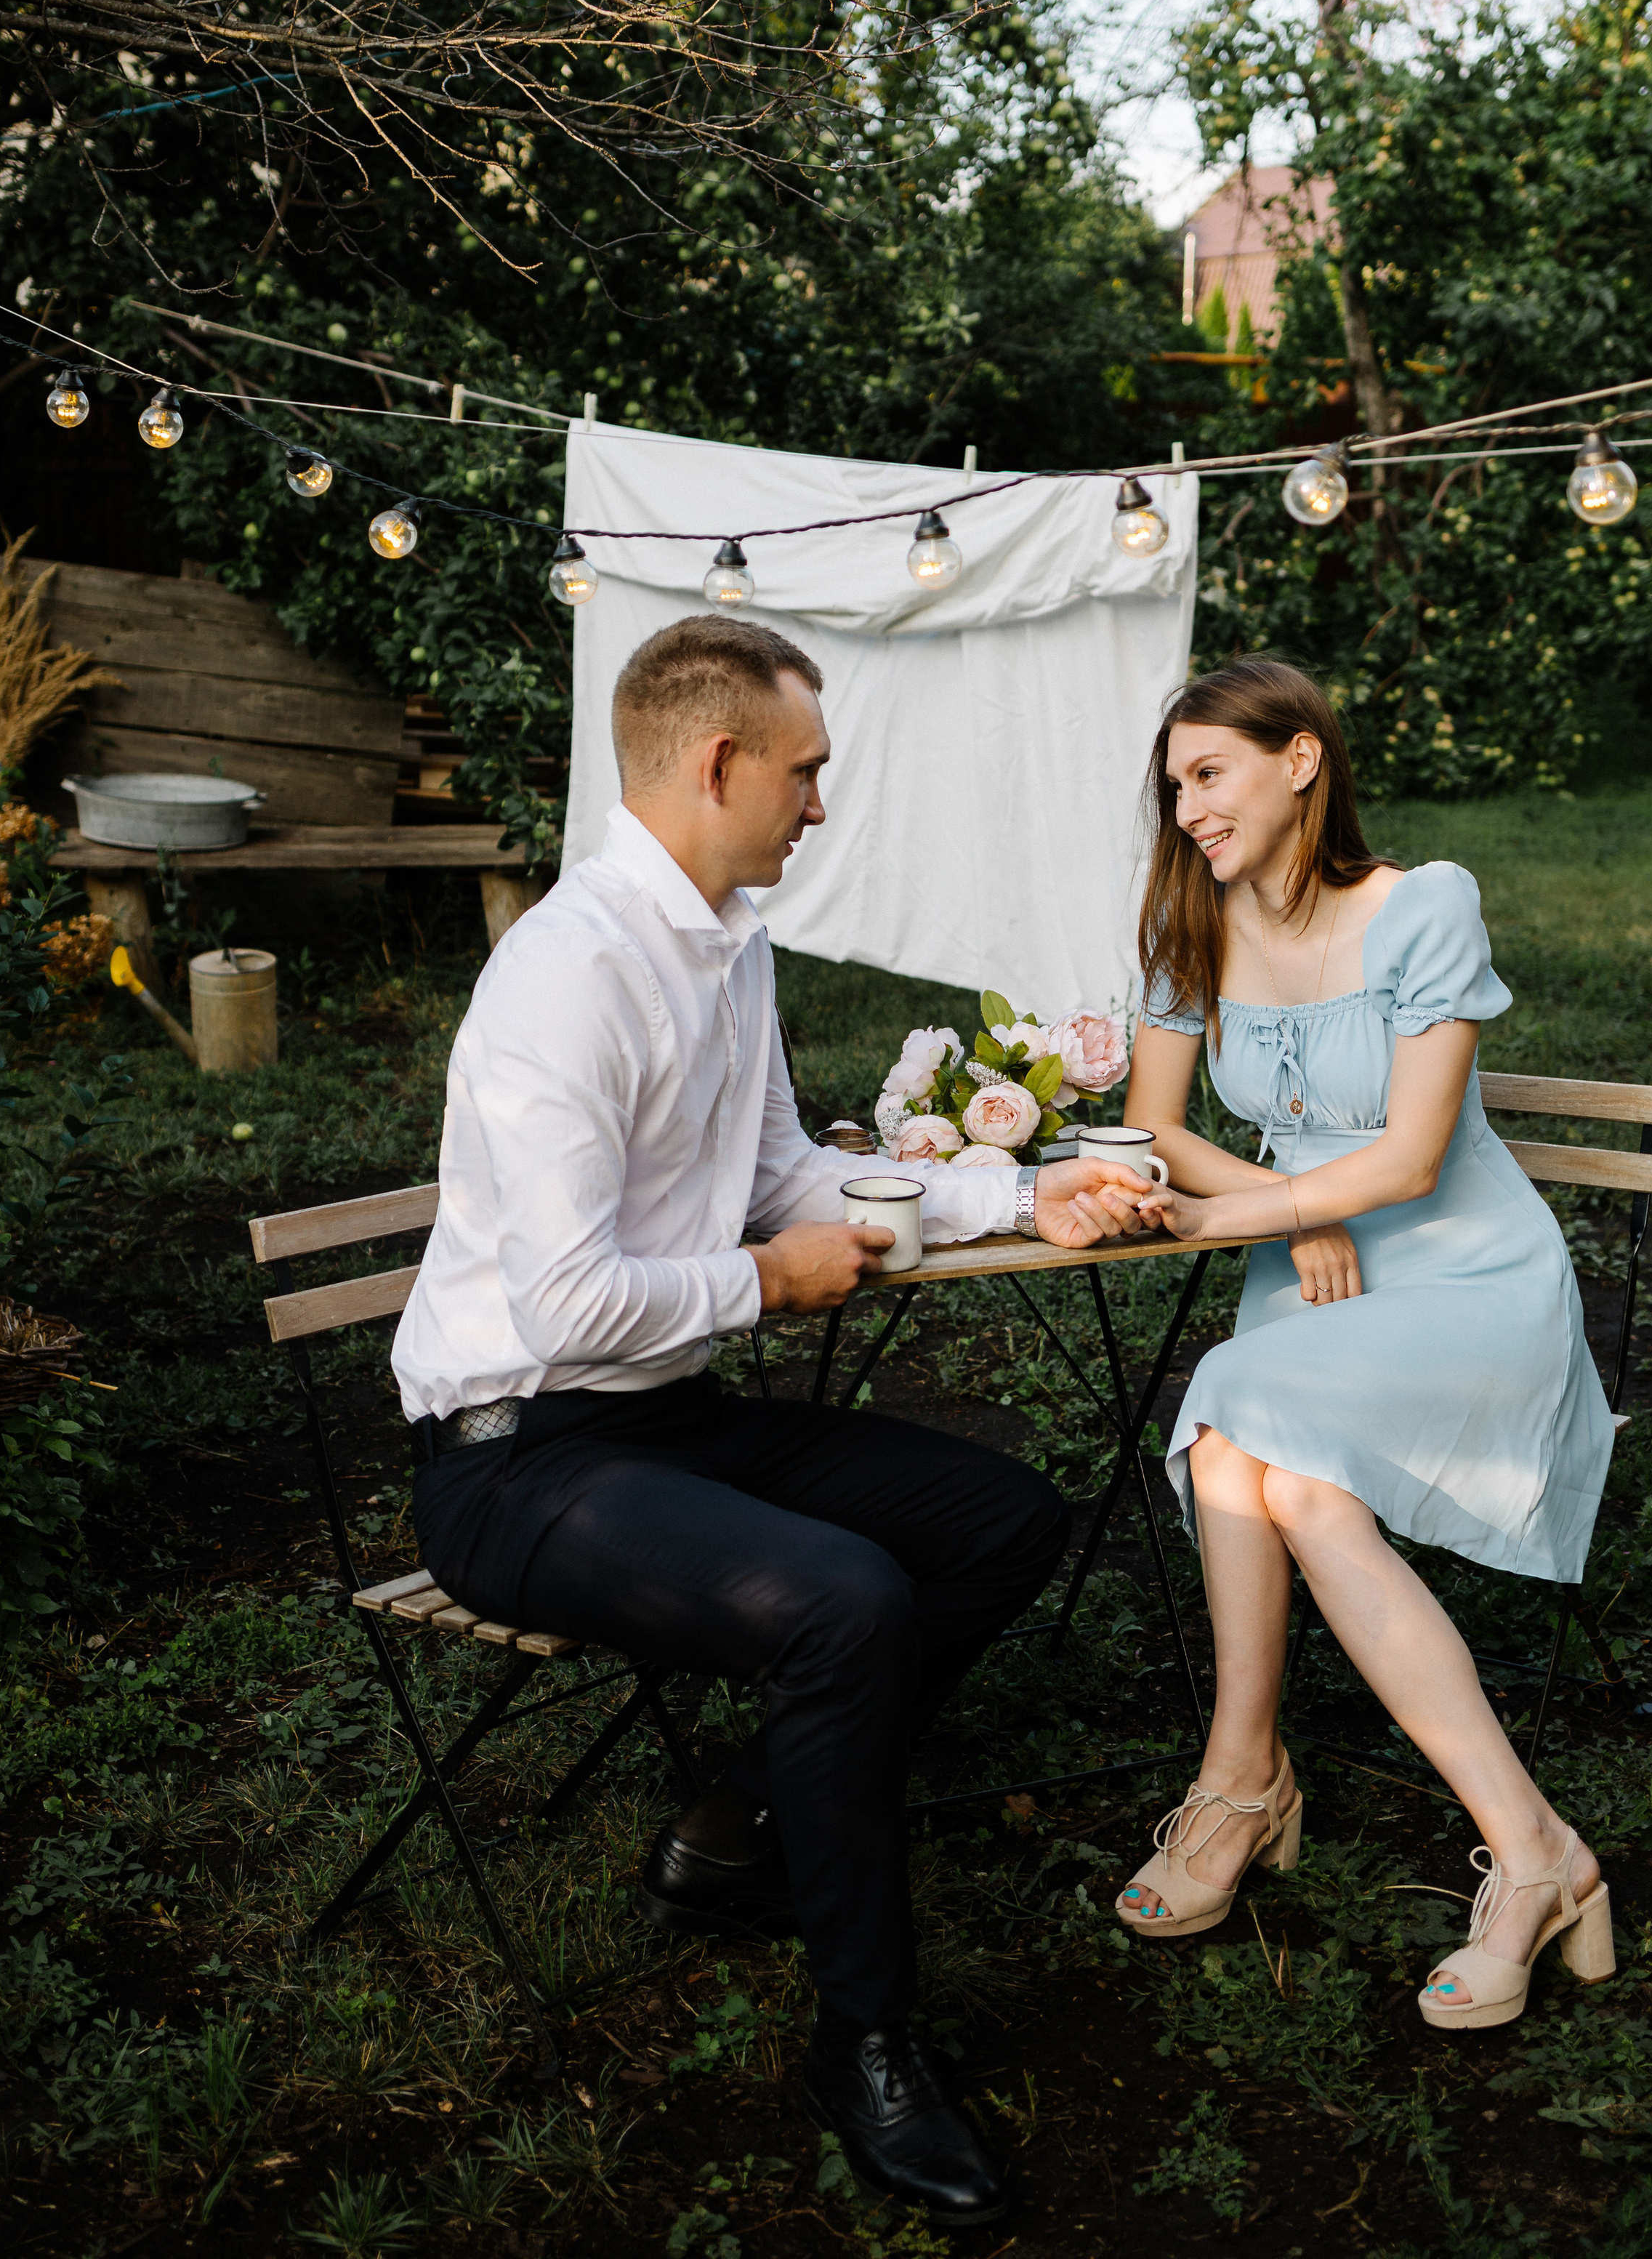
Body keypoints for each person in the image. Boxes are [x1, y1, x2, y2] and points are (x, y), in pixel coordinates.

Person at [392, 611, 1161, 2225]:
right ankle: (863, 2040)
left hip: (663, 1419)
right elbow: (566, 1306)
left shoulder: (729, 947)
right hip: (513, 1463)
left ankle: (749, 1813)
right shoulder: (567, 974)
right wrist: (765, 1283)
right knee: (844, 1603)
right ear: (717, 761)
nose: (822, 803)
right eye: (806, 772)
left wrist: (1020, 1193)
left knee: (1002, 1522)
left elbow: (789, 1182)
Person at [1112, 656, 1619, 2030]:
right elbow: (1153, 1123)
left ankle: (1245, 1787)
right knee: (1280, 1474)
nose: (1188, 808)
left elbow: (1408, 1162)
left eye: (1210, 773)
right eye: (1175, 785)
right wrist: (1292, 1215)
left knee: (1229, 1405)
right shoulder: (1188, 919)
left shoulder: (1422, 905)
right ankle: (1529, 1849)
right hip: (1312, 1276)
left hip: (1468, 1276)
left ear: (1301, 761)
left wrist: (1262, 1209)